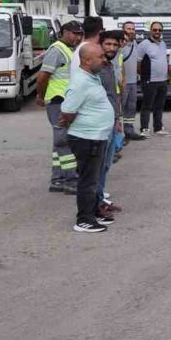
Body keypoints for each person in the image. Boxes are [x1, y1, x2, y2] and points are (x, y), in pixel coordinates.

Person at [59, 43, 115, 234]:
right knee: (87, 181)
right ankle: (84, 219)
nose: (104, 59)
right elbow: (67, 111)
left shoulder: (93, 77)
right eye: (100, 57)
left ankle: (93, 212)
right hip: (86, 138)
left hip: (96, 137)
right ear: (87, 60)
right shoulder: (80, 82)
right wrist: (75, 121)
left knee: (94, 178)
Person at [36, 20, 83, 193]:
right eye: (74, 33)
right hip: (57, 100)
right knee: (64, 141)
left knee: (59, 142)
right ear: (64, 32)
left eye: (79, 34)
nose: (77, 37)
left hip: (66, 100)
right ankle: (71, 180)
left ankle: (57, 179)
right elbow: (43, 76)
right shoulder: (57, 49)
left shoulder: (70, 50)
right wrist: (40, 96)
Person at [93, 31, 124, 220]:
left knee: (105, 165)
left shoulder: (110, 65)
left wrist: (118, 118)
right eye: (108, 44)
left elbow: (114, 95)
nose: (112, 48)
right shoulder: (96, 67)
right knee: (97, 166)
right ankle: (94, 206)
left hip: (112, 121)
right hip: (99, 124)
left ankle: (100, 199)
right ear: (100, 44)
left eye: (115, 45)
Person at [118, 21, 143, 141]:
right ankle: (119, 133)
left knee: (131, 108)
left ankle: (129, 130)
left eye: (133, 29)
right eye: (129, 28)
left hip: (133, 82)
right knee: (120, 109)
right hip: (122, 83)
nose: (131, 31)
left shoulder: (135, 43)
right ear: (124, 30)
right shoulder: (119, 45)